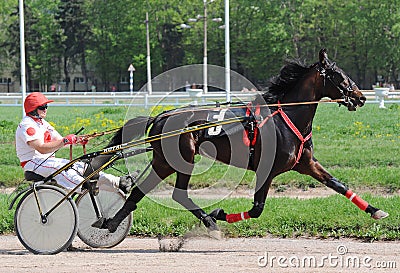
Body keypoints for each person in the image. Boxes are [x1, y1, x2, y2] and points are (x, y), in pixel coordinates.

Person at [15, 92, 134, 194]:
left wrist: (77, 139)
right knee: (62, 168)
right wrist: (65, 140)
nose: (46, 109)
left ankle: (119, 182)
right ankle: (83, 186)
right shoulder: (28, 125)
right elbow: (42, 148)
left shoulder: (42, 122)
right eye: (42, 107)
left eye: (46, 106)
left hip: (47, 161)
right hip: (34, 163)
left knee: (81, 166)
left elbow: (60, 139)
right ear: (33, 109)